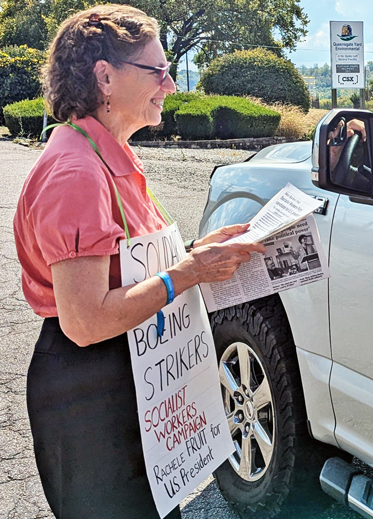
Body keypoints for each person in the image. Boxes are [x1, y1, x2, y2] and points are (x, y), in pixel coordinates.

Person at [13, 5, 265, 518]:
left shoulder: (109, 151)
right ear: (105, 76)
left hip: (125, 376)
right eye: (158, 71)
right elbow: (84, 322)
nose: (170, 85)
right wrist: (191, 271)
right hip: (88, 391)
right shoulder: (77, 170)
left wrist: (197, 255)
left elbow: (128, 268)